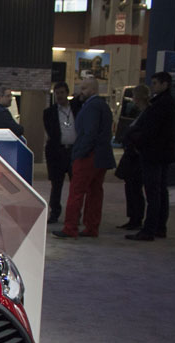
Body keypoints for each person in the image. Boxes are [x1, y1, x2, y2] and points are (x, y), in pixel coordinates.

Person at [53, 78, 115, 238]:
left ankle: (70, 227)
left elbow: (89, 133)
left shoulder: (92, 107)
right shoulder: (103, 106)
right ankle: (91, 227)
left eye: (84, 88)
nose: (81, 92)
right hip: (101, 156)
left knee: (77, 192)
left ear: (93, 90)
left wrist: (79, 153)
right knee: (95, 192)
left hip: (88, 156)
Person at [125, 71, 175, 241]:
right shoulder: (168, 104)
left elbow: (150, 131)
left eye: (156, 83)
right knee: (160, 191)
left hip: (153, 154)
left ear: (165, 84)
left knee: (153, 192)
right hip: (161, 154)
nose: (153, 86)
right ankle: (158, 227)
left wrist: (136, 140)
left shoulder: (161, 105)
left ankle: (149, 229)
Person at [42, 81, 81, 224]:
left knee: (76, 185)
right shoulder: (49, 112)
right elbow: (51, 133)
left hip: (73, 152)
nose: (59, 96)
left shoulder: (76, 108)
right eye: (57, 93)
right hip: (57, 153)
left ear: (67, 93)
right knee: (56, 186)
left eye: (62, 93)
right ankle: (55, 213)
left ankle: (75, 214)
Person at [116, 84, 150, 230]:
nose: (134, 99)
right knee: (131, 188)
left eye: (135, 96)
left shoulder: (147, 113)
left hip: (137, 157)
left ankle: (136, 218)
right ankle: (133, 217)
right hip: (132, 156)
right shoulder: (140, 113)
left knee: (135, 188)